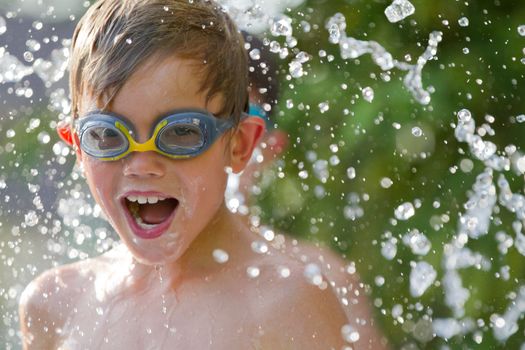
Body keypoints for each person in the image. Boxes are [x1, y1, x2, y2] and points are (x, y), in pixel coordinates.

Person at [18, 1, 350, 349]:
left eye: (180, 133)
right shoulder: (55, 304)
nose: (142, 164)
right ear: (78, 149)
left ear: (240, 145)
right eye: (107, 135)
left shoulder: (285, 303)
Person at [240, 32, 389, 349]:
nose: (221, 140)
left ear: (272, 146)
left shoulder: (322, 277)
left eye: (242, 123)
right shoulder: (113, 287)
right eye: (194, 126)